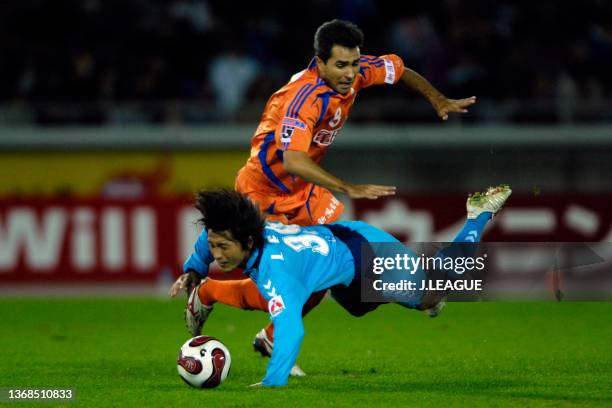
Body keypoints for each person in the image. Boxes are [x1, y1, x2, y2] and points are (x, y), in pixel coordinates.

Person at [170, 18, 478, 367]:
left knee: (323, 266)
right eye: (341, 65)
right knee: (280, 275)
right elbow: (293, 159)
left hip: (304, 191)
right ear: (320, 63)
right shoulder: (305, 99)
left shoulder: (357, 72)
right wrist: (346, 186)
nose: (350, 74)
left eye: (354, 64)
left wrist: (438, 101)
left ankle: (271, 337)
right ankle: (207, 289)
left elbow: (400, 68)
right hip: (264, 187)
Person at [178, 185, 511, 387]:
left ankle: (477, 214)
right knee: (350, 307)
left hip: (366, 251)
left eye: (224, 248)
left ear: (248, 242)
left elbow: (291, 331)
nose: (217, 253)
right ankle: (206, 290)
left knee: (440, 287)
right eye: (216, 247)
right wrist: (193, 268)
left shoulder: (274, 270)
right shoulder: (243, 236)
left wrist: (271, 383)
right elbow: (212, 239)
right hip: (339, 265)